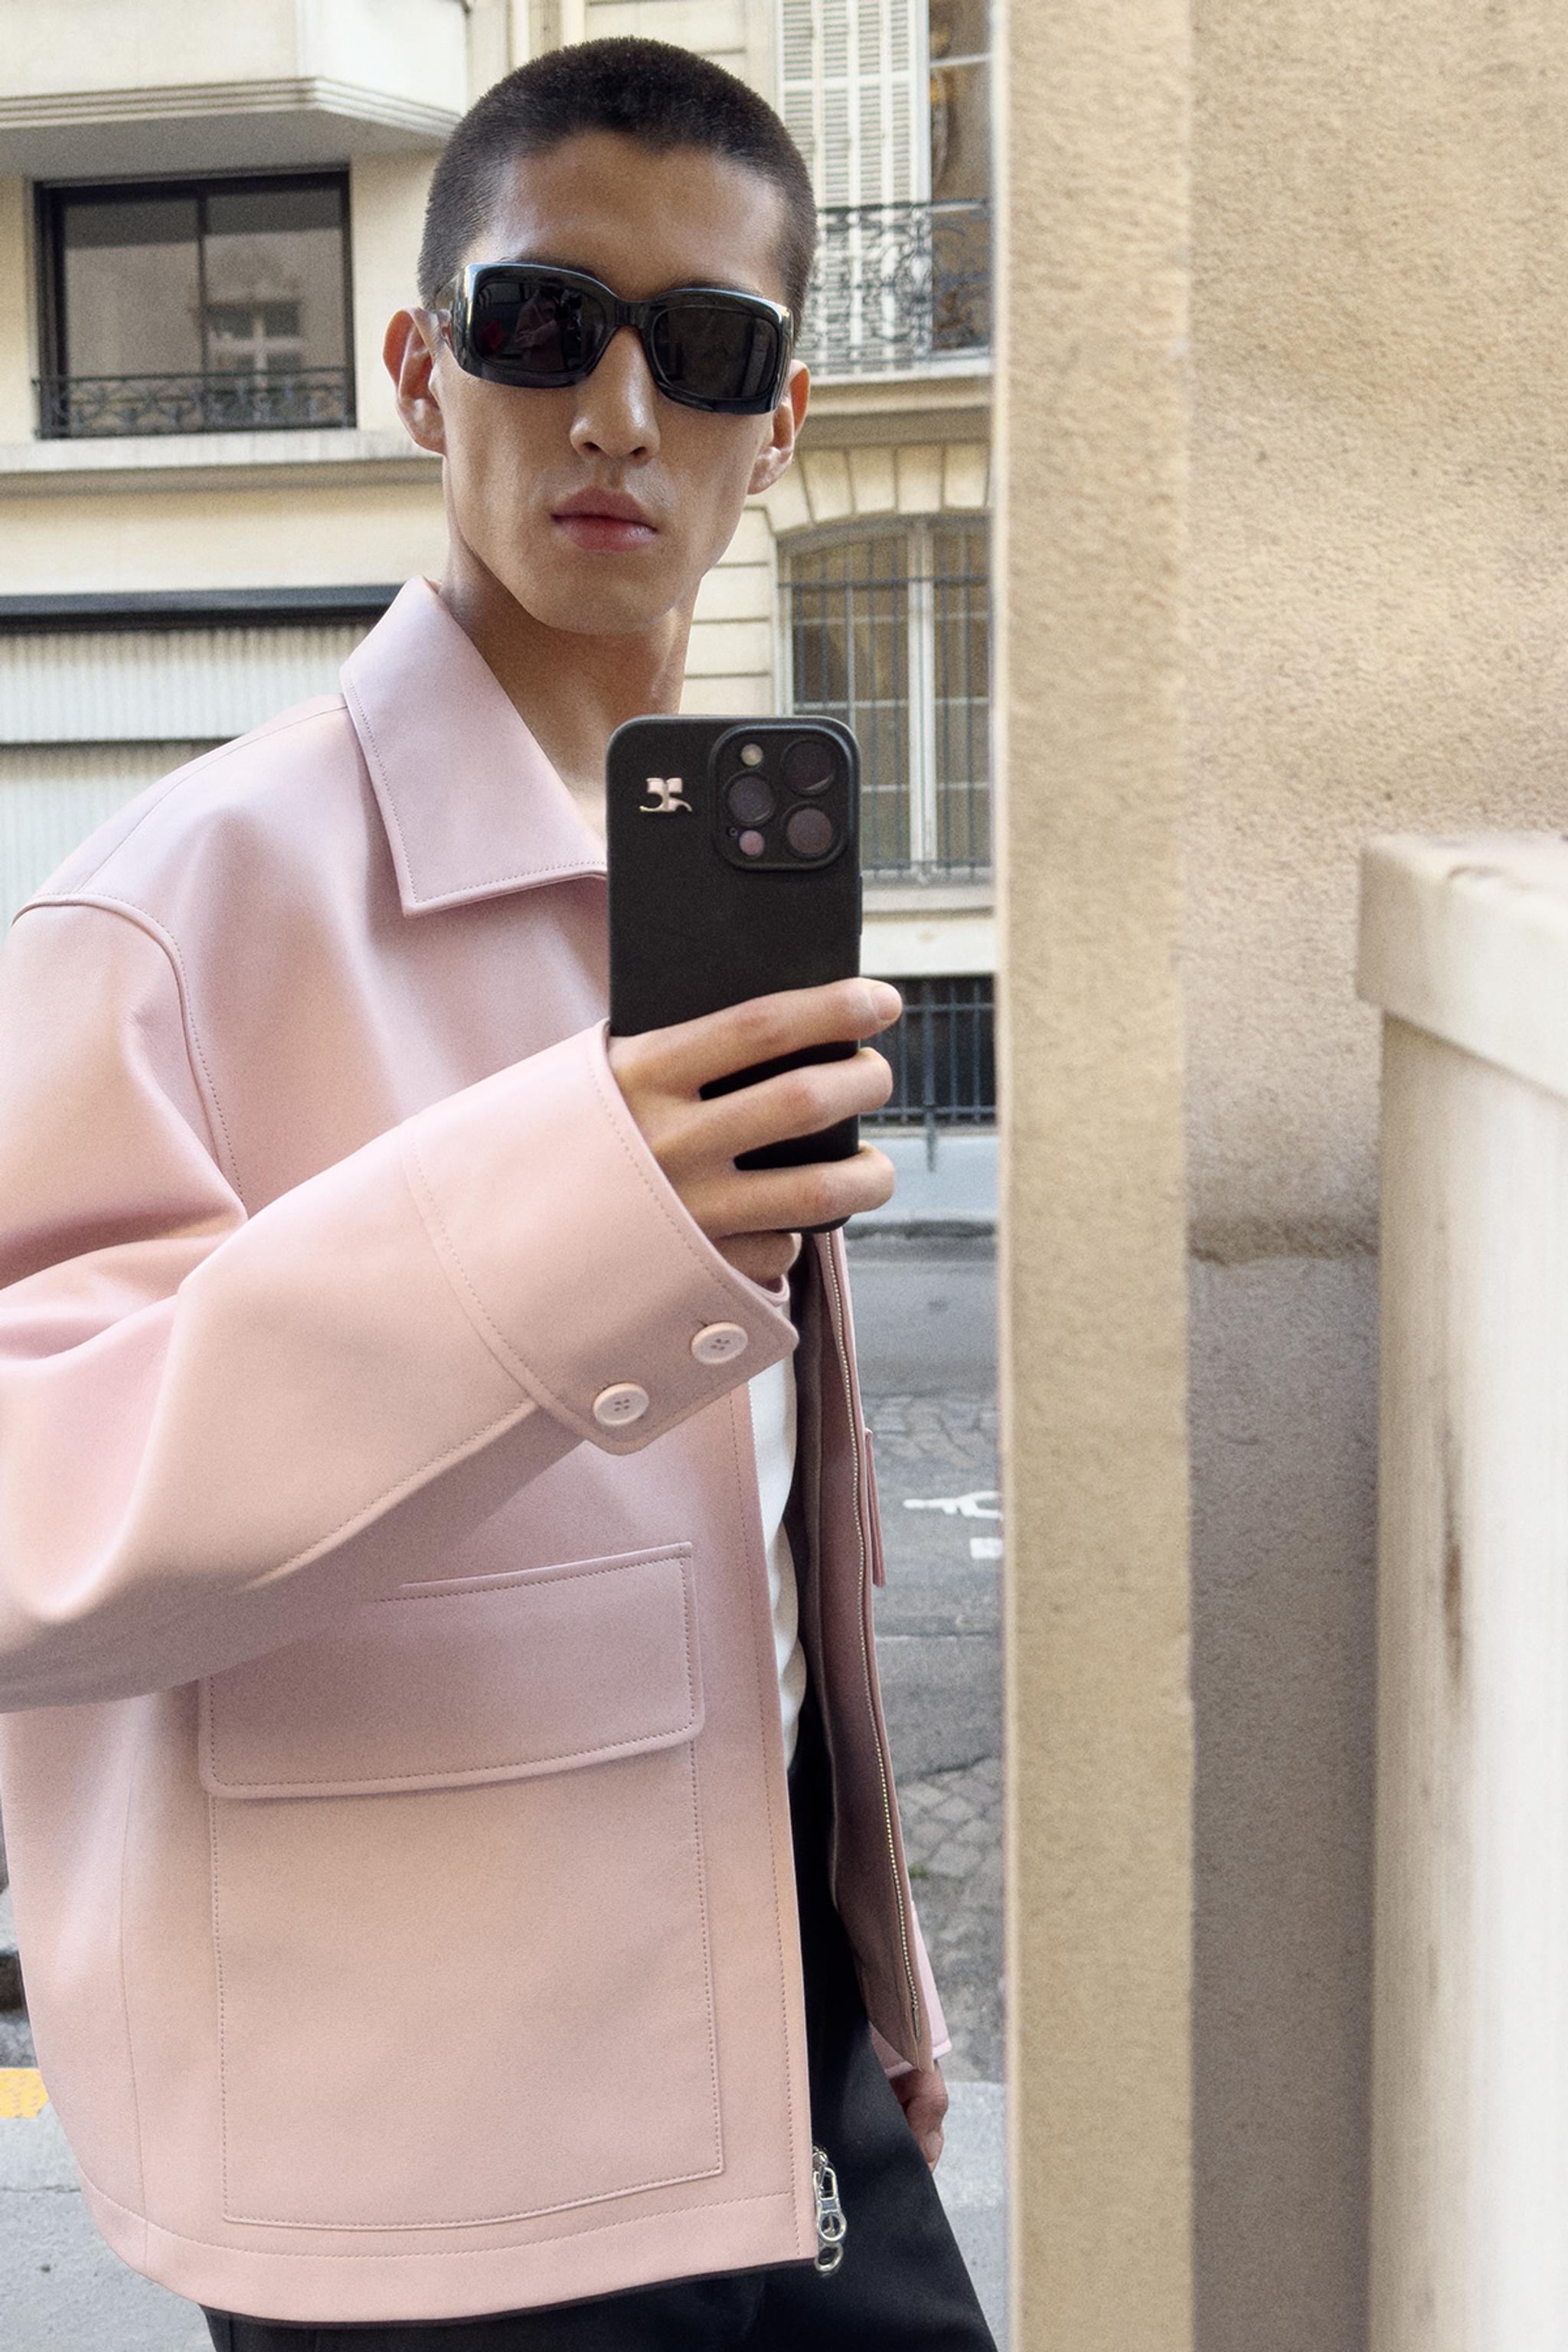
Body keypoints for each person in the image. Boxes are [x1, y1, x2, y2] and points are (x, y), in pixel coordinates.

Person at [0, 39, 997, 2351]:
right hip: (422, 2191)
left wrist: (875, 1985)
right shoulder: (181, 906)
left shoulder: (736, 888)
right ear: (419, 370)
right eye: (548, 325)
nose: (622, 412)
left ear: (788, 422)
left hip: (788, 2074)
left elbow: (758, 1557)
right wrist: (561, 1216)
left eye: (707, 348)